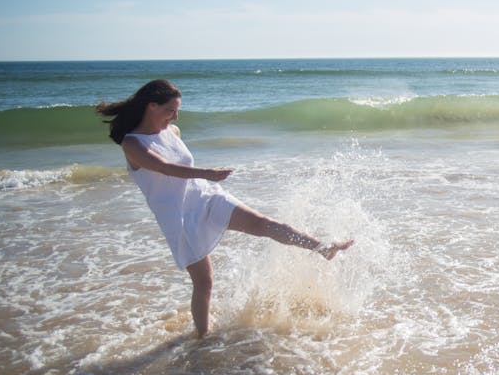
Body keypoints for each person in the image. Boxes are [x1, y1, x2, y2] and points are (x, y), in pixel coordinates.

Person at [97, 79, 354, 336]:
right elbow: (164, 167)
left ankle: (323, 248)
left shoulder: (172, 132)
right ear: (151, 106)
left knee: (264, 224)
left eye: (177, 110)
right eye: (170, 110)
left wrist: (206, 179)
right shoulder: (133, 144)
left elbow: (176, 162)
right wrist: (207, 172)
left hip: (206, 197)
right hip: (180, 218)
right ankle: (202, 337)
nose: (175, 116)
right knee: (204, 282)